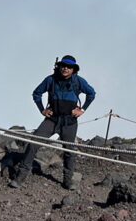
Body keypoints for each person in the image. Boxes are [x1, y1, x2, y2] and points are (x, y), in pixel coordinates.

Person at [10, 55, 95, 191]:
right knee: (33, 144)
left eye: (69, 67)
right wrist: (42, 110)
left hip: (69, 122)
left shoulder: (78, 82)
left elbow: (91, 94)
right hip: (51, 119)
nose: (65, 68)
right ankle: (19, 178)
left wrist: (82, 109)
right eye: (63, 66)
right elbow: (36, 94)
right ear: (59, 66)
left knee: (69, 151)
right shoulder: (50, 80)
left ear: (74, 70)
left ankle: (67, 181)